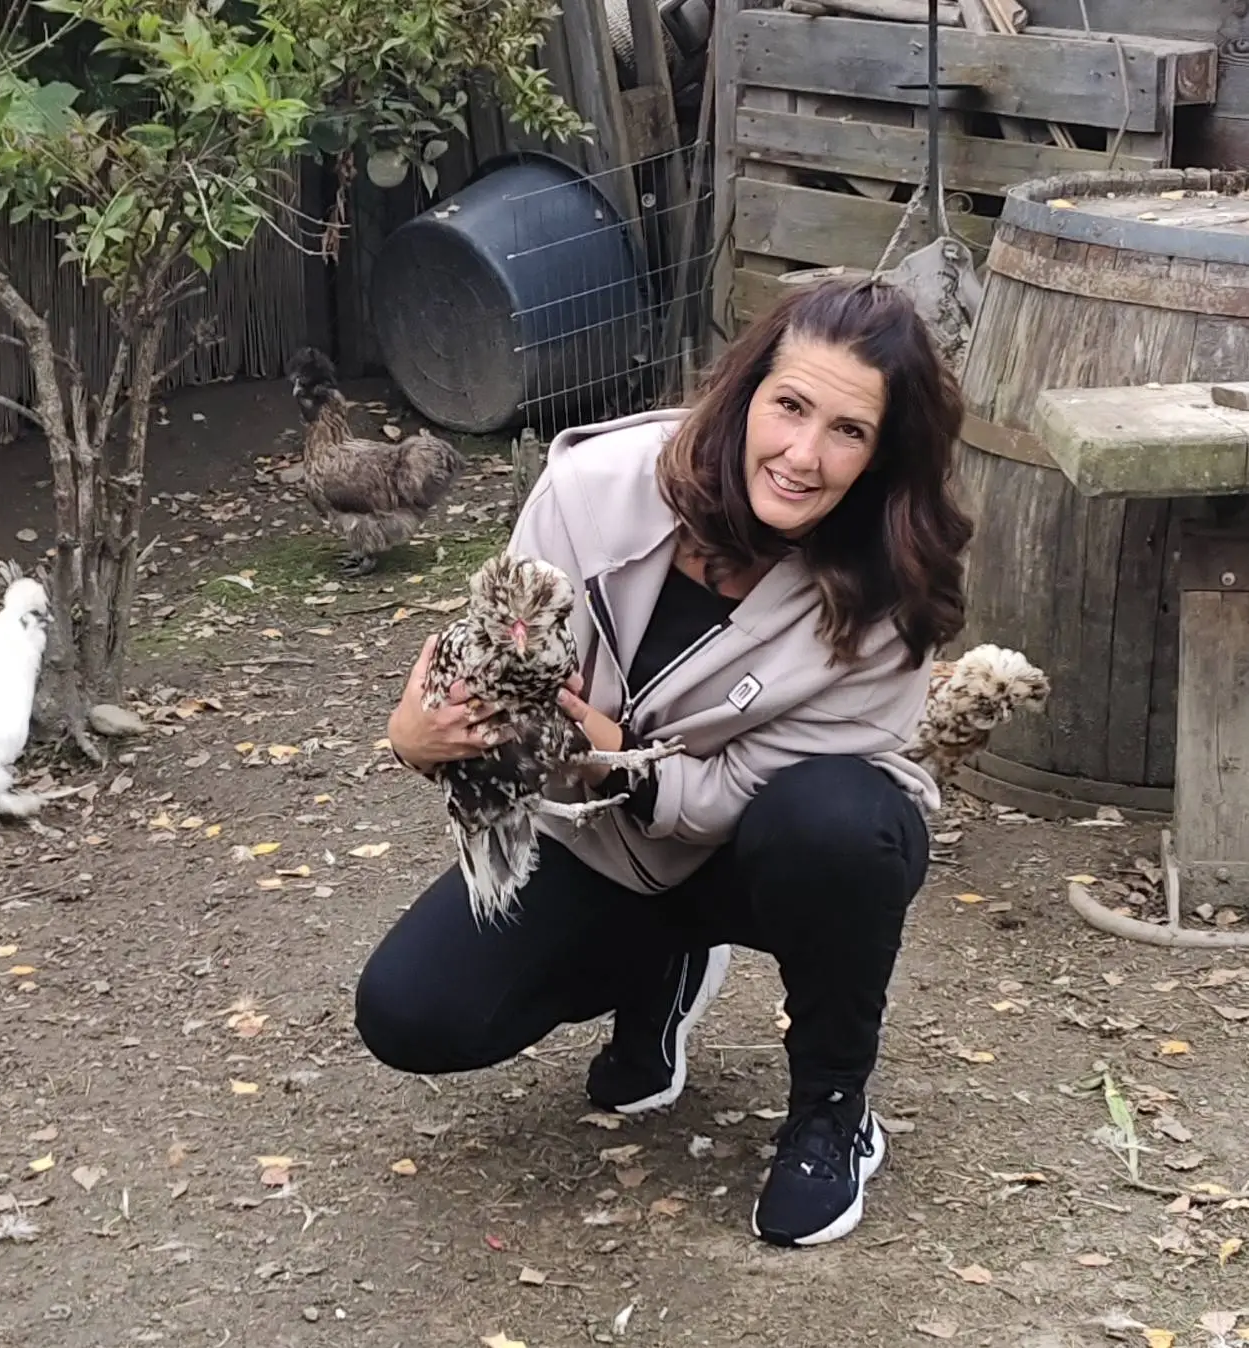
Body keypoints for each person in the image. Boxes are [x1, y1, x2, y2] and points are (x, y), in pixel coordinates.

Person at [354, 276, 974, 1248]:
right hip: (601, 839)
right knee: (409, 1012)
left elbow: (737, 790)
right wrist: (422, 742)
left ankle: (829, 1109)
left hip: (760, 841)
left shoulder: (887, 595)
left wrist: (615, 759)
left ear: (881, 455)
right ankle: (658, 967)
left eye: (847, 431)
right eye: (790, 405)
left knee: (832, 826)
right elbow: (506, 680)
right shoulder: (590, 488)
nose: (802, 455)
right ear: (745, 392)